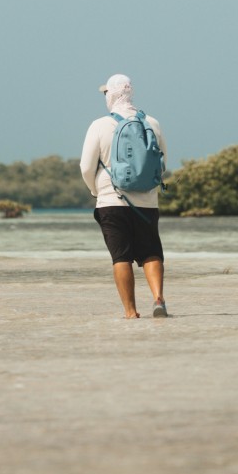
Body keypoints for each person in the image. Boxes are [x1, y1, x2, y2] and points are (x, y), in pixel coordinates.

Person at [80, 73, 170, 319]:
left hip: (111, 201)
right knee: (151, 252)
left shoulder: (99, 125)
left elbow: (86, 167)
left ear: (111, 94)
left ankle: (131, 312)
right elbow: (162, 163)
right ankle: (158, 299)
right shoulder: (152, 122)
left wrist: (95, 190)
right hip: (147, 202)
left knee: (121, 257)